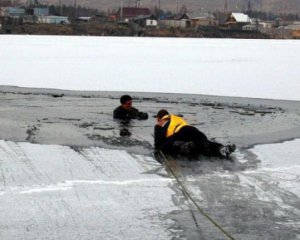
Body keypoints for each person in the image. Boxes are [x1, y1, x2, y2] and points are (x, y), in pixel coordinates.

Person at [154, 109, 236, 158]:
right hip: (191, 129)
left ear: (159, 118)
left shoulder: (161, 122)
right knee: (204, 143)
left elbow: (158, 143)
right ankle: (221, 149)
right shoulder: (175, 118)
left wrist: (157, 128)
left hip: (180, 133)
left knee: (164, 146)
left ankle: (184, 146)